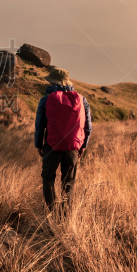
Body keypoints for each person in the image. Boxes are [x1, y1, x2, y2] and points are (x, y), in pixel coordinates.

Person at [34, 67, 92, 212]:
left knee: (48, 179)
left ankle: (52, 213)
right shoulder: (81, 99)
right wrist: (83, 145)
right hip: (73, 147)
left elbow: (40, 124)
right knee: (69, 182)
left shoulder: (46, 100)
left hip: (51, 146)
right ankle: (65, 215)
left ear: (52, 82)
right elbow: (87, 126)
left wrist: (39, 144)